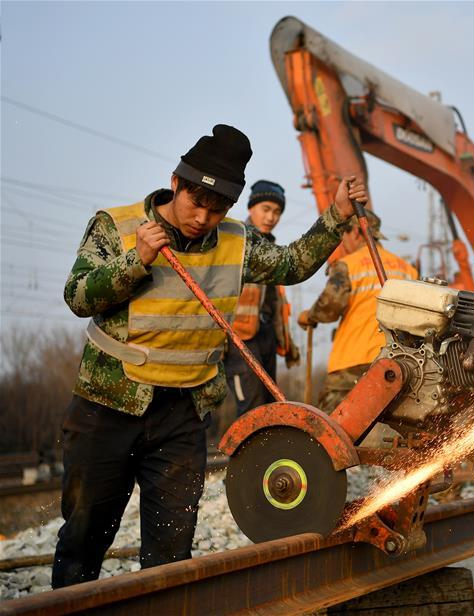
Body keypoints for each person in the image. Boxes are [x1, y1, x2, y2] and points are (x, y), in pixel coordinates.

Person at [54, 124, 366, 588]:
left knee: (172, 552)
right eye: (196, 202)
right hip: (107, 407)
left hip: (183, 416)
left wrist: (337, 215)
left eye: (217, 207)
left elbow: (294, 264)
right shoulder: (116, 227)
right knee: (84, 539)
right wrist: (134, 261)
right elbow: (78, 296)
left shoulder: (237, 242)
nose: (203, 216)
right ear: (175, 183)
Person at [298, 210, 417, 413]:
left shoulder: (349, 265)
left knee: (329, 427)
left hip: (352, 363)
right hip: (398, 363)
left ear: (354, 232)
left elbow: (329, 308)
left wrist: (309, 316)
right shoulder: (408, 269)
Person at [226, 180, 300, 415]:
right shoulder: (236, 240)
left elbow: (275, 302)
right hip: (239, 337)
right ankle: (244, 453)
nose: (271, 217)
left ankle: (264, 453)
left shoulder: (273, 250)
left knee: (270, 406)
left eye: (277, 212)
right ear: (251, 208)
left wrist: (286, 341)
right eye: (266, 209)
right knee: (252, 408)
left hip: (265, 335)